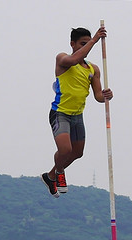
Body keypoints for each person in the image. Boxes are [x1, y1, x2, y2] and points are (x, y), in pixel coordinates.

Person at [40, 25, 113, 197]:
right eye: (82, 43)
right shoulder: (63, 59)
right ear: (72, 44)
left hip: (77, 115)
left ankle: (49, 176)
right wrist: (94, 40)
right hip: (60, 113)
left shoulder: (93, 69)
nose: (86, 46)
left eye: (87, 43)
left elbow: (97, 96)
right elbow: (73, 60)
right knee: (65, 150)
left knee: (77, 153)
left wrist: (106, 96)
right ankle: (59, 173)